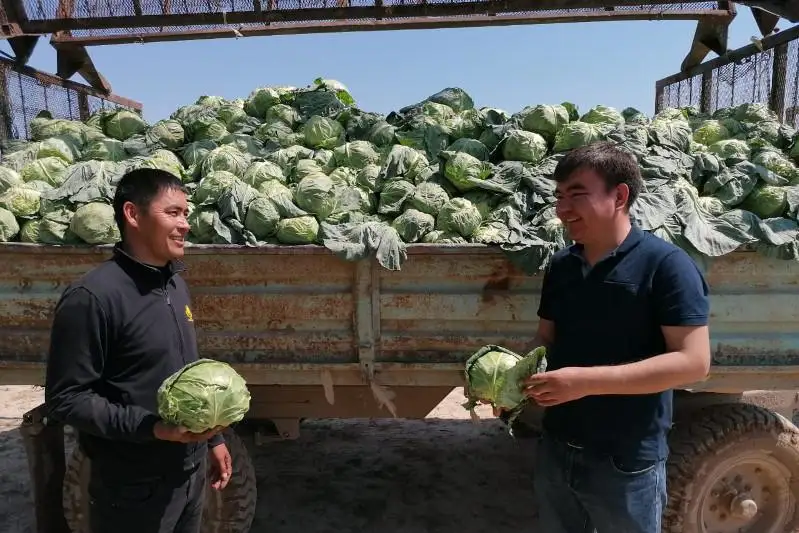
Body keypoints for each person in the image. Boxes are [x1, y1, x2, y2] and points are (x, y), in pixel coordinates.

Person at [519, 142, 711, 533]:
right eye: (558, 197)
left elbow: (694, 363)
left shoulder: (666, 266)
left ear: (619, 195)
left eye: (576, 194)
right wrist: (513, 378)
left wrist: (584, 383)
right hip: (557, 448)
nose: (562, 209)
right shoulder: (562, 265)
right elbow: (544, 339)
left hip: (625, 461)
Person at [44, 168, 233, 533]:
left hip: (189, 476)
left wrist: (213, 438)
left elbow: (188, 371)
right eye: (173, 213)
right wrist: (153, 429)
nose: (185, 225)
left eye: (186, 214)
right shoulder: (93, 297)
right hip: (133, 489)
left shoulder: (175, 283)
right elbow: (66, 399)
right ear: (133, 214)